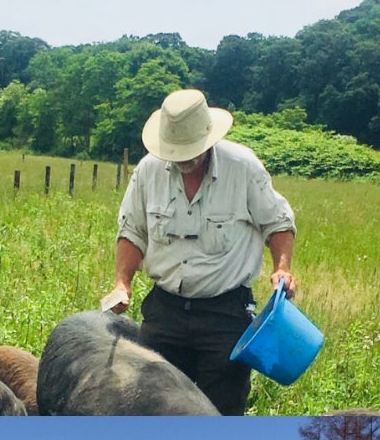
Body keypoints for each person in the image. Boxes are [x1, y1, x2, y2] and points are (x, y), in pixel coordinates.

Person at [109, 88, 297, 415]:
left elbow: (278, 223)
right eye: (176, 152)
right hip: (165, 310)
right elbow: (132, 231)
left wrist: (282, 267)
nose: (184, 158)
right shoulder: (148, 172)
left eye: (191, 150)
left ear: (208, 139)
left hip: (225, 313)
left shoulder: (243, 168)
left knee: (221, 411)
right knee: (151, 406)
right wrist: (122, 283)